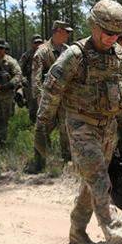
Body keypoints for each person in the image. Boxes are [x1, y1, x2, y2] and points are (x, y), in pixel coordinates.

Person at [34, 0, 122, 244]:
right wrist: (42, 126)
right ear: (93, 26)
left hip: (108, 127)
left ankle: (77, 231)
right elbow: (51, 91)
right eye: (107, 33)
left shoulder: (119, 55)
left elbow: (121, 96)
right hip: (81, 126)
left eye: (117, 34)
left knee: (90, 182)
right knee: (99, 182)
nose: (111, 39)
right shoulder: (74, 55)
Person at [29, 20, 73, 166]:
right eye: (66, 32)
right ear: (58, 32)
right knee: (42, 127)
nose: (68, 35)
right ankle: (39, 161)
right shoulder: (42, 51)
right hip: (47, 97)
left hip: (65, 96)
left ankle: (67, 159)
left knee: (65, 126)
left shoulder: (68, 50)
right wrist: (40, 97)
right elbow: (36, 77)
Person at [19, 35, 44, 123]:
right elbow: (19, 70)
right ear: (32, 44)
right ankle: (34, 123)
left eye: (40, 42)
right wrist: (23, 81)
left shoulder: (46, 53)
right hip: (30, 83)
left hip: (44, 82)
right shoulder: (27, 55)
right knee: (33, 105)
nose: (38, 45)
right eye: (36, 43)